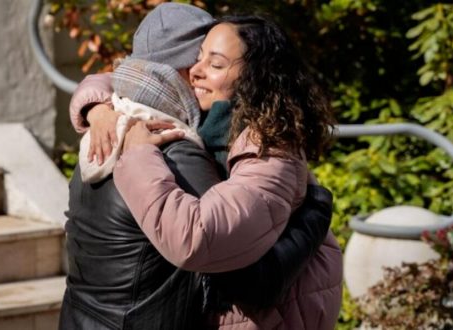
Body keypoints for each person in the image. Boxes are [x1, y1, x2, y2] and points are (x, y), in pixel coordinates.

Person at [61, 3, 336, 329]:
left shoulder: (266, 146)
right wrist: (97, 108)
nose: (196, 70)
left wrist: (314, 216)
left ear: (254, 75)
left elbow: (228, 262)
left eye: (213, 62)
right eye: (198, 57)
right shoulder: (188, 135)